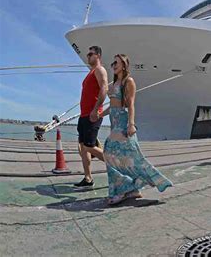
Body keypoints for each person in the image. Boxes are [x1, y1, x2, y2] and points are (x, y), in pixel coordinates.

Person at [100, 54, 173, 205]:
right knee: (126, 157)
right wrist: (100, 114)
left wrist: (131, 124)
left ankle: (123, 190)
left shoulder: (128, 81)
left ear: (124, 65)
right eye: (113, 62)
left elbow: (130, 104)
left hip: (122, 122)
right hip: (113, 121)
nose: (113, 65)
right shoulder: (113, 84)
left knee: (109, 153)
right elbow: (113, 105)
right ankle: (133, 189)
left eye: (116, 62)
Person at [74, 46, 108, 189]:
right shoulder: (91, 73)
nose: (88, 57)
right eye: (87, 55)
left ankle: (119, 166)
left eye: (90, 54)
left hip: (92, 114)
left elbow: (104, 88)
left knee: (89, 146)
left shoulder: (100, 70)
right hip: (84, 115)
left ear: (98, 56)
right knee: (83, 147)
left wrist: (95, 110)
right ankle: (88, 179)